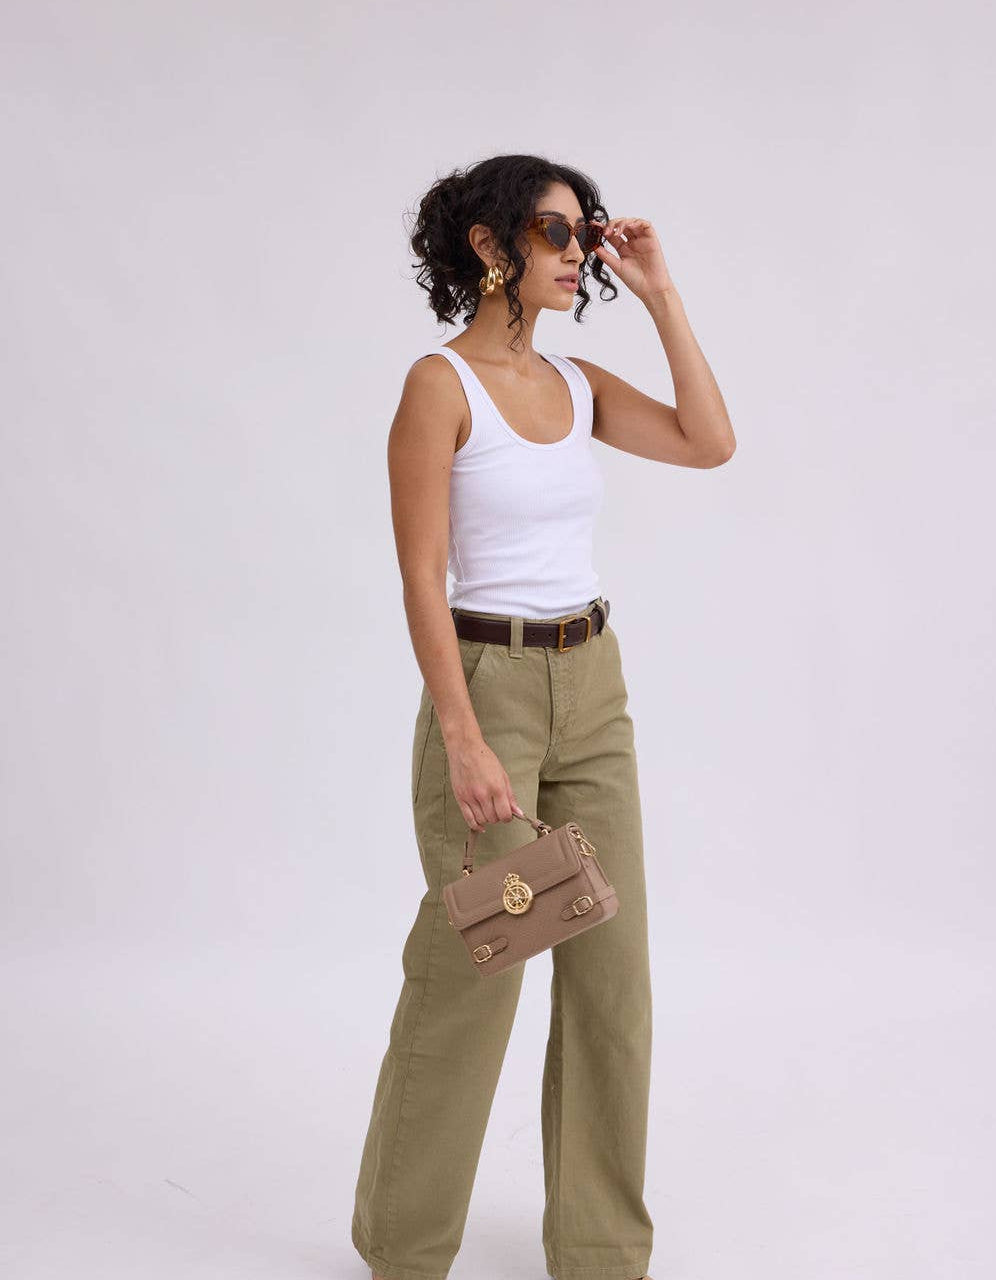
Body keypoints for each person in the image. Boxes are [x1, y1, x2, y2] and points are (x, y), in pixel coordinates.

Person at [350, 153, 735, 1280]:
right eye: (555, 233)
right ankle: (405, 1246)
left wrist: (661, 293)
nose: (577, 254)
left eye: (584, 233)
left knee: (614, 978)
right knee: (483, 964)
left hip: (593, 686)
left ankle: (601, 1250)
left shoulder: (577, 382)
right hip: (491, 690)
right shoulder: (438, 385)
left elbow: (708, 441)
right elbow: (421, 577)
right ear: (489, 245)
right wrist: (463, 737)